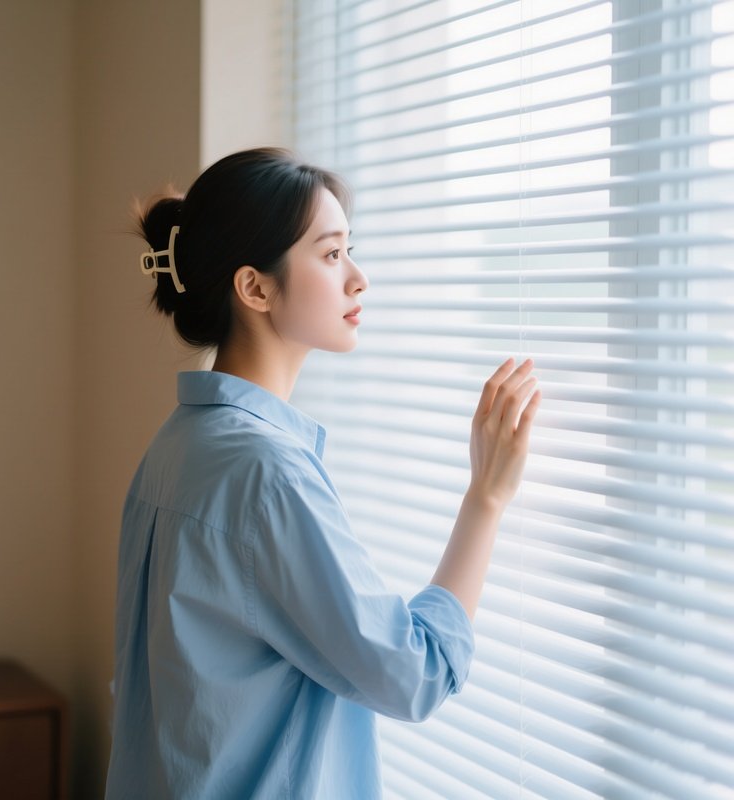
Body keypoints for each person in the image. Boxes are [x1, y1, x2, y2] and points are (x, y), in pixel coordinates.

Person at [105, 147, 540, 799]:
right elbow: (412, 675)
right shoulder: (264, 474)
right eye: (332, 254)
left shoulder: (177, 445)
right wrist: (486, 497)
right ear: (255, 287)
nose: (358, 278)